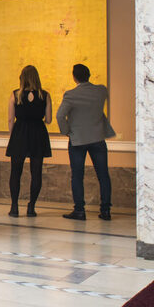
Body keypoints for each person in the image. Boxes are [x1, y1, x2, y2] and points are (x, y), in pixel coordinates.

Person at [56, 63, 114, 221]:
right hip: (97, 138)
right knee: (103, 175)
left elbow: (60, 116)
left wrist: (66, 131)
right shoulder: (101, 91)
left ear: (74, 77)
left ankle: (80, 210)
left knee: (77, 176)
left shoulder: (70, 95)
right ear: (89, 75)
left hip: (78, 140)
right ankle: (106, 210)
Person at [5, 65, 52, 217]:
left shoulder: (15, 95)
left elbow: (11, 119)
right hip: (38, 133)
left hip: (20, 133)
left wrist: (13, 135)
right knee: (36, 173)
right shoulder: (45, 95)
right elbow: (49, 119)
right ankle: (31, 207)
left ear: (22, 78)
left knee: (15, 172)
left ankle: (14, 207)